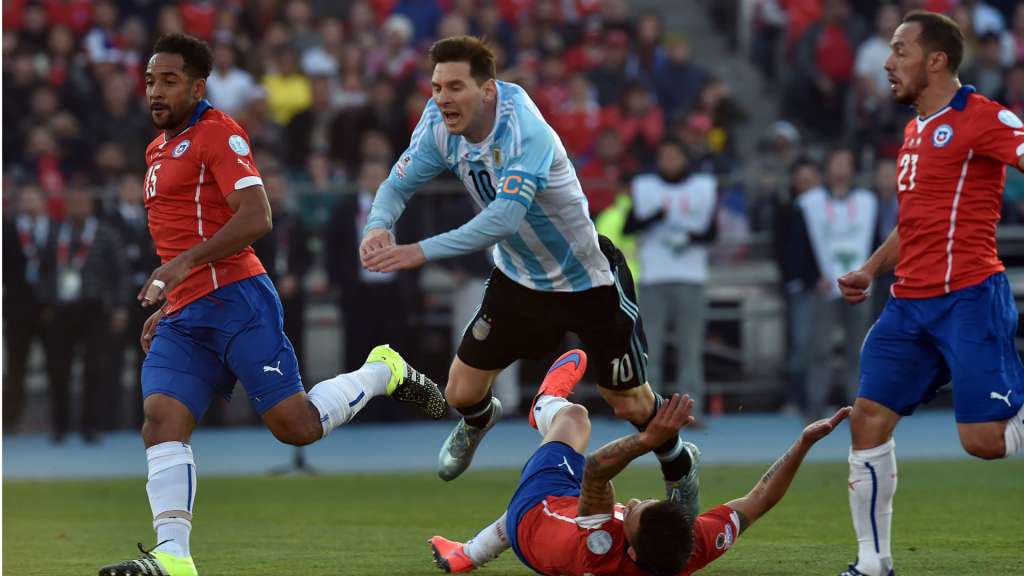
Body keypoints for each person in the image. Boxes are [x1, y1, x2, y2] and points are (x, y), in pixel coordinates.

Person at [98, 33, 447, 576]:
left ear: (197, 85)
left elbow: (257, 216)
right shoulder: (156, 149)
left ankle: (383, 370)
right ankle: (174, 556)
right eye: (149, 81)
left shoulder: (219, 133)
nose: (155, 91)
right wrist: (171, 299)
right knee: (160, 418)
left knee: (295, 426)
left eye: (168, 80)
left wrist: (184, 266)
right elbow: (181, 233)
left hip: (239, 302)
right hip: (186, 314)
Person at [360, 36, 692, 491]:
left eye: (455, 87)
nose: (442, 99)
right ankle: (479, 420)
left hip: (586, 281)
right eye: (437, 87)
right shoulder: (437, 124)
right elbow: (397, 184)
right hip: (520, 280)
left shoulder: (524, 130)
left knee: (630, 404)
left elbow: (503, 218)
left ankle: (680, 470)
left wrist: (418, 251)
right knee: (460, 392)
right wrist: (378, 225)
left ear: (488, 90)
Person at [835, 11, 1024, 576]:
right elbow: (915, 220)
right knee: (866, 418)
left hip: (969, 297)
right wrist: (871, 269)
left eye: (899, 51)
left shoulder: (982, 118)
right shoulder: (915, 130)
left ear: (936, 60)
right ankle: (873, 564)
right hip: (908, 304)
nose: (888, 64)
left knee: (983, 442)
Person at [429, 349, 852, 575]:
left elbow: (595, 469)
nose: (636, 502)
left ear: (629, 544)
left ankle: (543, 402)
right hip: (556, 537)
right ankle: (467, 554)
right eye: (648, 502)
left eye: (637, 512)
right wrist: (802, 444)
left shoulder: (603, 551)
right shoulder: (687, 548)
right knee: (601, 499)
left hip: (535, 513)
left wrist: (650, 439)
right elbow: (760, 500)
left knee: (574, 419)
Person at [628, 138, 717, 415]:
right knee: (649, 347)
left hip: (690, 276)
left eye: (674, 156)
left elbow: (712, 234)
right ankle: (647, 409)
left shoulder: (702, 189)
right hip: (655, 276)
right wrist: (655, 215)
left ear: (684, 159)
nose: (669, 162)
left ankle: (691, 410)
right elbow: (630, 225)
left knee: (690, 348)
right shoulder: (646, 189)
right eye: (664, 157)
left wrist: (688, 236)